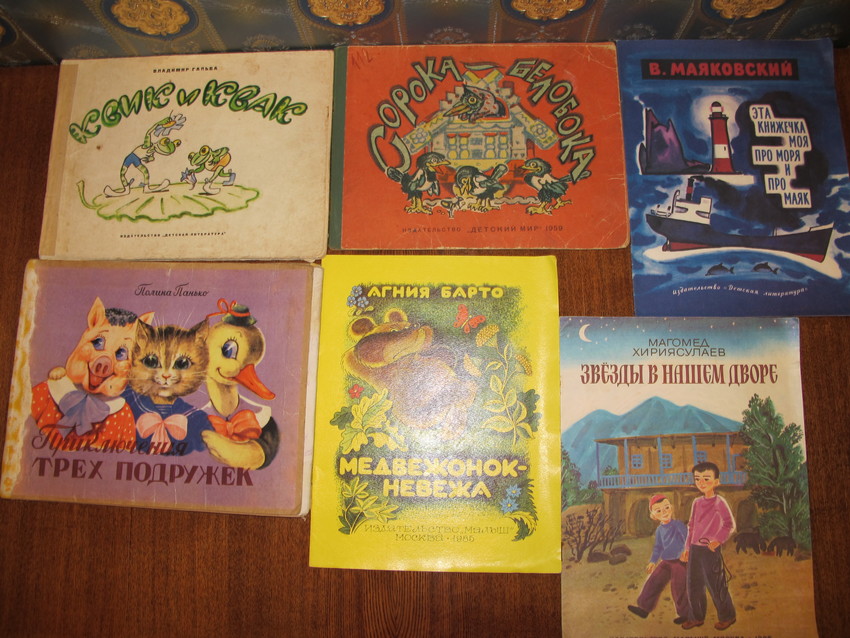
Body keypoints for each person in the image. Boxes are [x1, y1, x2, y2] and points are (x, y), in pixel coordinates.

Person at [681, 462, 736, 631]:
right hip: (695, 549)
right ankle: (696, 617)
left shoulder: (719, 502)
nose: (701, 482)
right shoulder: (696, 502)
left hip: (710, 550)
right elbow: (691, 526)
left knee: (716, 584)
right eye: (697, 479)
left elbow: (729, 524)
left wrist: (717, 540)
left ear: (716, 482)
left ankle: (727, 616)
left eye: (706, 478)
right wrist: (687, 548)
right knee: (693, 585)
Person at [627, 494, 690, 624]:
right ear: (653, 516)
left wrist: (686, 550)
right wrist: (652, 561)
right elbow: (658, 547)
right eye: (659, 511)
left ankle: (685, 614)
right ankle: (644, 608)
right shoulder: (660, 530)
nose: (664, 512)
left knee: (678, 587)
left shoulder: (678, 525)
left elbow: (687, 539)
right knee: (653, 581)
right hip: (666, 561)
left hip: (680, 561)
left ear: (671, 508)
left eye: (666, 508)